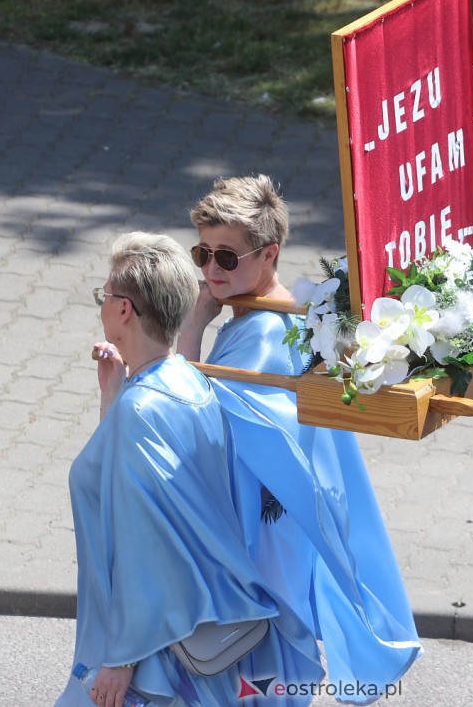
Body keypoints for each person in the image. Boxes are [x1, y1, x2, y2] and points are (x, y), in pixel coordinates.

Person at [176, 175, 420, 702]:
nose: (211, 270)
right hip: (276, 521)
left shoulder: (266, 334)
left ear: (270, 254)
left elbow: (186, 419)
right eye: (203, 254)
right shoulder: (275, 315)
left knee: (260, 675)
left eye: (227, 257)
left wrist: (192, 327)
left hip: (264, 531)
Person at [57, 231, 324, 707]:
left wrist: (120, 659)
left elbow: (142, 542)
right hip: (190, 631)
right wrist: (113, 396)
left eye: (105, 295)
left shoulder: (140, 411)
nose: (102, 304)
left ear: (123, 310)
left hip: (153, 654)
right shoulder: (189, 382)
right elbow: (133, 485)